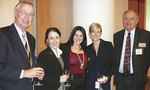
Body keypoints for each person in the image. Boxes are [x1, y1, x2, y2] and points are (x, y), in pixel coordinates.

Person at [0, 1, 44, 90]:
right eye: (23, 12)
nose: (27, 17)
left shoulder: (32, 39)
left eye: (31, 14)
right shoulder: (3, 34)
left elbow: (28, 63)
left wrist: (38, 72)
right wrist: (24, 73)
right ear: (16, 14)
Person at [113, 10, 150, 90]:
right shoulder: (117, 36)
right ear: (123, 20)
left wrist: (143, 75)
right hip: (120, 79)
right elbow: (115, 57)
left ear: (137, 21)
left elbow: (148, 58)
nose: (128, 21)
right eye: (126, 18)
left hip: (137, 79)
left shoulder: (146, 35)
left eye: (132, 19)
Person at [86, 23, 114, 90]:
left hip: (104, 80)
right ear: (89, 33)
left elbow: (114, 64)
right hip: (91, 81)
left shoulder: (108, 45)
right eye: (93, 32)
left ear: (101, 33)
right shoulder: (87, 49)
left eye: (98, 32)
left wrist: (107, 76)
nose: (95, 34)